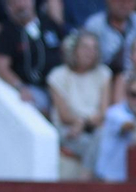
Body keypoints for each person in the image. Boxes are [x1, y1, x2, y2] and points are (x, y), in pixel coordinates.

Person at [48, 30, 112, 179]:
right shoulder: (57, 76)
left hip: (92, 128)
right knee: (94, 145)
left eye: (93, 48)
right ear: (74, 50)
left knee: (100, 137)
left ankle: (84, 178)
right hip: (67, 128)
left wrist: (83, 122)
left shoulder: (103, 73)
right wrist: (79, 122)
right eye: (84, 47)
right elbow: (64, 115)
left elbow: (103, 112)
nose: (89, 52)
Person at [0, 0, 66, 112]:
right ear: (8, 8)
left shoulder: (48, 22)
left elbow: (65, 49)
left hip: (59, 86)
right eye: (14, 3)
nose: (20, 5)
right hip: (34, 88)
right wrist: (20, 87)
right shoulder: (7, 33)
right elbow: (2, 68)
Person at [82, 0, 136, 73]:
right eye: (119, 0)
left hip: (135, 78)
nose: (124, 4)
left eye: (129, 1)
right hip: (102, 76)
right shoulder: (95, 23)